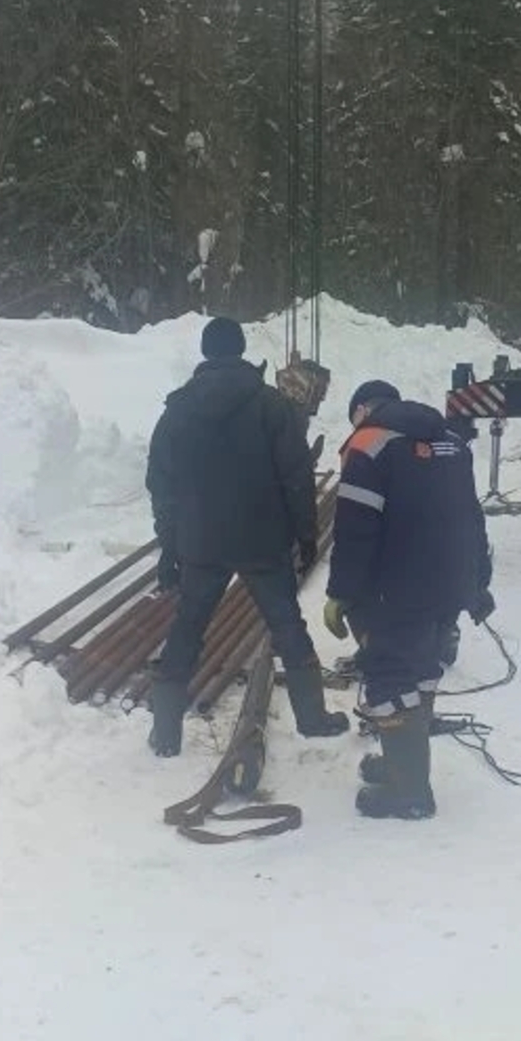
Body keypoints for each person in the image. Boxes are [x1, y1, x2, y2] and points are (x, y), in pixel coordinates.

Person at [145, 316, 348, 757]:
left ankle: (165, 734)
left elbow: (161, 484)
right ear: (240, 350)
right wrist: (306, 534)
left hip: (202, 543)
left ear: (205, 352)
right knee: (287, 626)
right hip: (263, 540)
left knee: (187, 628)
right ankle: (313, 719)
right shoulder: (272, 406)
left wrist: (170, 545)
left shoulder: (178, 410)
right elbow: (296, 476)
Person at [323, 379, 493, 821]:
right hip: (448, 586)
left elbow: (355, 530)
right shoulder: (452, 442)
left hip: (394, 591)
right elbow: (471, 516)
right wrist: (478, 582)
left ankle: (410, 792)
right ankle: (402, 764)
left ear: (363, 409)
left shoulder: (368, 444)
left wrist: (340, 593)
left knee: (391, 679)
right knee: (421, 672)